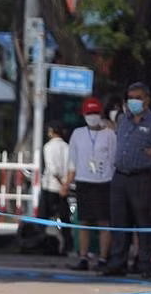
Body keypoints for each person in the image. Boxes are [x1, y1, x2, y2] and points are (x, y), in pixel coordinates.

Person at [104, 81, 151, 277]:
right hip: (120, 176)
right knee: (119, 221)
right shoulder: (123, 120)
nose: (134, 102)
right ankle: (117, 262)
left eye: (138, 98)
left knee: (143, 222)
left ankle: (145, 263)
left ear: (147, 99)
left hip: (143, 177)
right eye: (131, 98)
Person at [65, 99, 116, 271]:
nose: (92, 117)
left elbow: (114, 158)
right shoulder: (78, 134)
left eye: (95, 113)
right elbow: (72, 161)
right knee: (84, 221)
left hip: (104, 181)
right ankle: (83, 256)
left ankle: (103, 257)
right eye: (89, 114)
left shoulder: (109, 134)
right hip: (84, 181)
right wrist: (67, 183)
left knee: (104, 222)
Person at [39, 122, 72, 257]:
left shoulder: (48, 146)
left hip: (51, 186)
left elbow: (53, 169)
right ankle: (67, 245)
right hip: (64, 187)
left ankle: (41, 243)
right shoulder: (67, 147)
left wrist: (60, 183)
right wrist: (66, 185)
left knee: (43, 217)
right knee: (64, 219)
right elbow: (71, 167)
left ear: (52, 131)